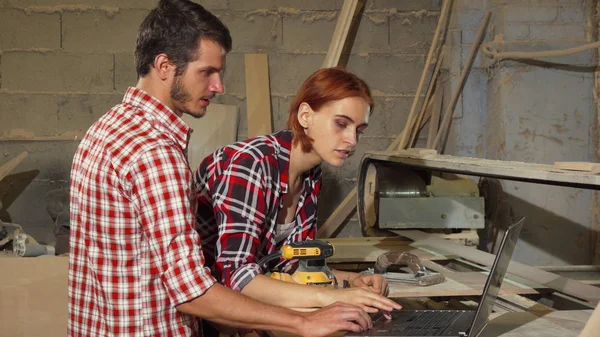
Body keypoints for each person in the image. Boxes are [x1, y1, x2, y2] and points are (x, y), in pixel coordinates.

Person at [68, 1, 375, 336]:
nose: (218, 86)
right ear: (164, 65)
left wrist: (343, 282)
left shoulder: (107, 128)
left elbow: (279, 262)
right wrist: (304, 321)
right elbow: (192, 291)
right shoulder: (154, 151)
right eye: (207, 72)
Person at [193, 67, 403, 333]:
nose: (352, 140)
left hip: (242, 310)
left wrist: (353, 281)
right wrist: (332, 297)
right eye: (341, 123)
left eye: (359, 130)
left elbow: (289, 264)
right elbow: (238, 276)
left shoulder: (310, 175)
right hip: (198, 315)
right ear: (305, 116)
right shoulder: (249, 164)